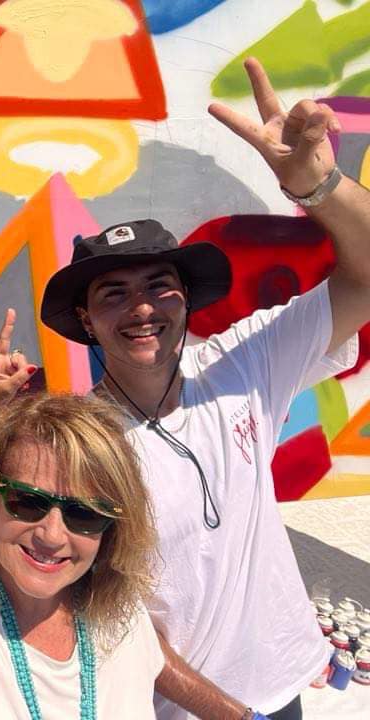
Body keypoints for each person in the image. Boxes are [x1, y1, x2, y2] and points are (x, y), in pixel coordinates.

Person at [36, 59, 370, 719]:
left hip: (282, 688)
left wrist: (319, 185)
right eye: (113, 293)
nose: (142, 309)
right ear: (86, 320)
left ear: (187, 298)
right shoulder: (80, 446)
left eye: (159, 286)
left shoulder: (245, 363)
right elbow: (107, 613)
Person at [0, 322, 267, 719]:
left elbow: (154, 665)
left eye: (84, 514)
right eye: (27, 502)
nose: (52, 535)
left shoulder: (120, 618)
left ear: (113, 528)